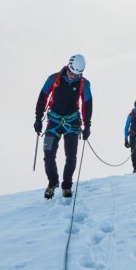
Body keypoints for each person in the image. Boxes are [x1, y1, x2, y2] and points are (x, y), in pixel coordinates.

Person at [34, 54, 92, 199]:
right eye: (71, 73)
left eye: (77, 74)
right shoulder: (53, 79)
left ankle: (67, 187)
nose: (73, 76)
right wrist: (38, 119)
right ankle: (53, 183)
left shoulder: (84, 83)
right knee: (48, 155)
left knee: (71, 156)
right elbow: (42, 97)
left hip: (72, 124)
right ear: (68, 66)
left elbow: (87, 105)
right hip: (53, 122)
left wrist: (87, 126)